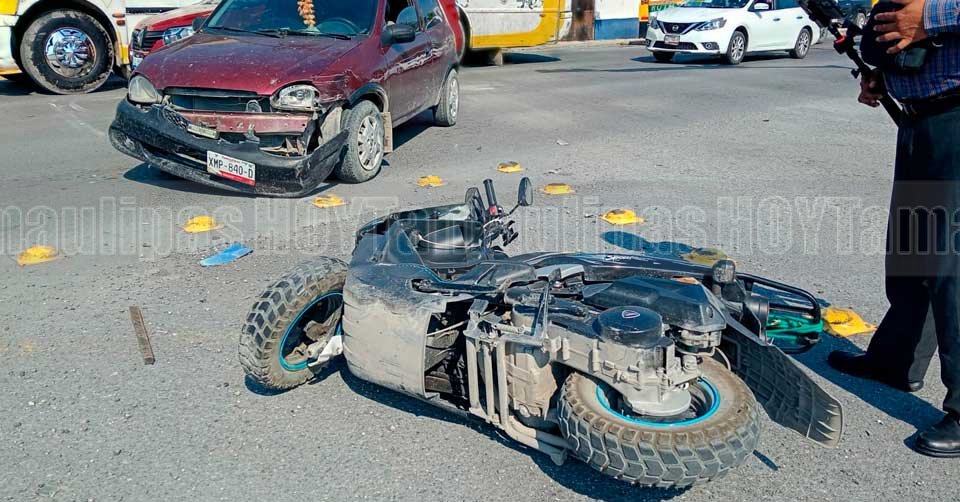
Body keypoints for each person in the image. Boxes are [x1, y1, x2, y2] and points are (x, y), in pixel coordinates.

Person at [827, 0, 960, 457]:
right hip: (921, 115)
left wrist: (929, 18)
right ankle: (896, 361)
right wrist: (886, 75)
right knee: (911, 250)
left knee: (951, 266)